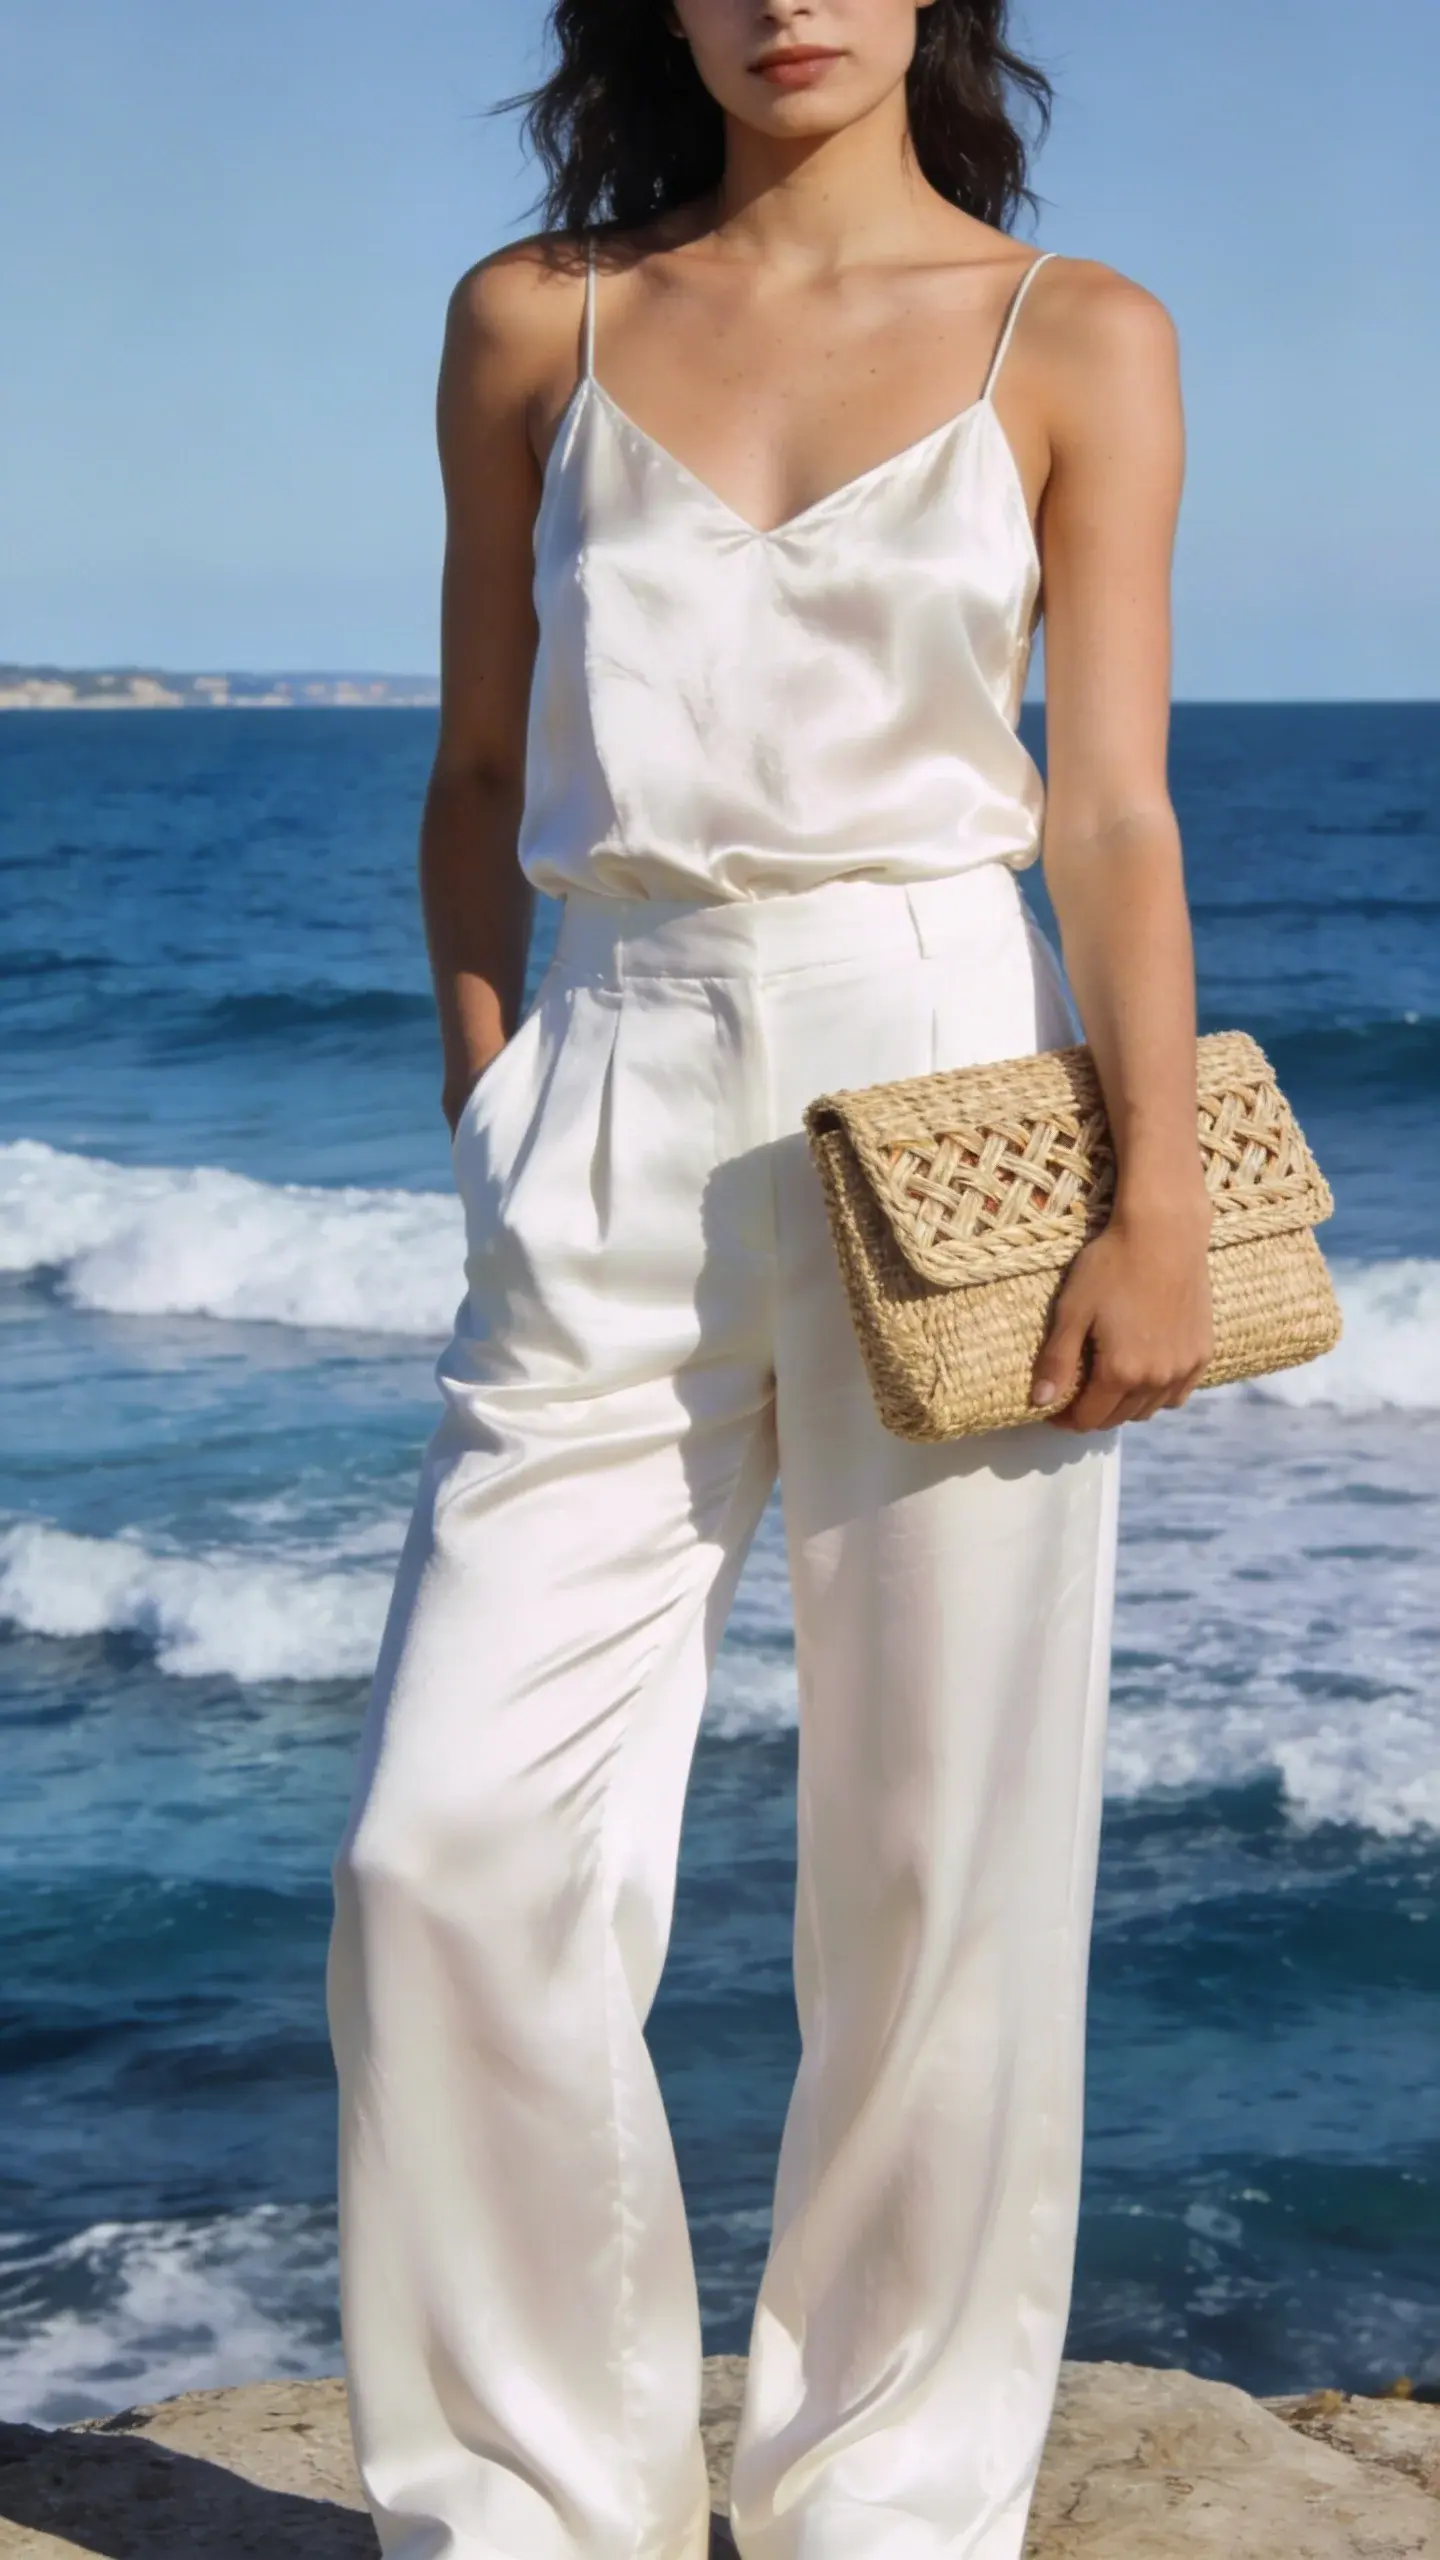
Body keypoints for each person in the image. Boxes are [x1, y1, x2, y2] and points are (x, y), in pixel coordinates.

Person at [326, 5, 1212, 2556]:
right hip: (610, 1081)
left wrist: (1149, 1191)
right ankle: (519, 2500)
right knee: (442, 1841)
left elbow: (1117, 805)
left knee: (945, 1851)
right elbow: (486, 770)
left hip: (950, 1064)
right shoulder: (539, 322)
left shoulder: (1089, 335)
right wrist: (495, 1091)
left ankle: (887, 2501)